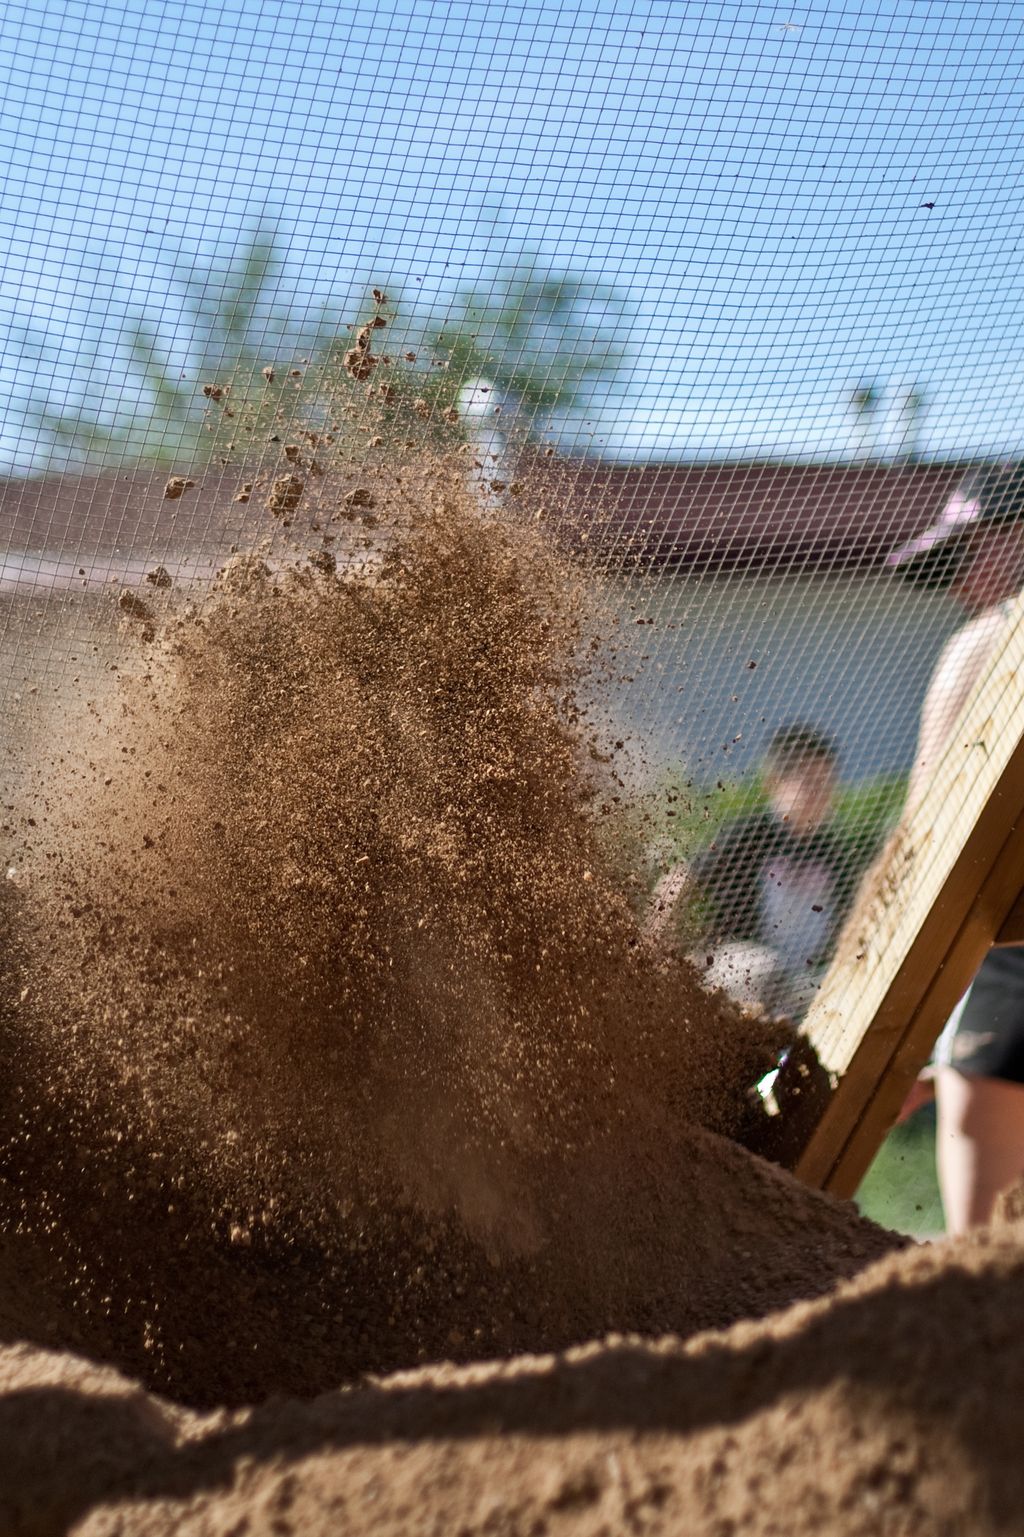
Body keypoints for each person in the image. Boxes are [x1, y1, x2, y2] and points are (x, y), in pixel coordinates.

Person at [888, 462, 1024, 1233]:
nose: (958, 587)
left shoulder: (984, 643)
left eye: (966, 559)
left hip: (1008, 963)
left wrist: (904, 1025)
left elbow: (924, 842)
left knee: (988, 1266)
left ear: (1015, 539)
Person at [645, 724, 857, 1018]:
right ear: (774, 782)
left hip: (801, 982)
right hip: (739, 966)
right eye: (808, 782)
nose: (818, 794)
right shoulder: (750, 836)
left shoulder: (832, 852)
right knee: (765, 970)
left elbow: (847, 919)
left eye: (826, 783)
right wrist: (650, 948)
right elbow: (683, 877)